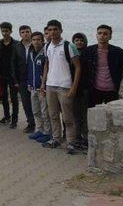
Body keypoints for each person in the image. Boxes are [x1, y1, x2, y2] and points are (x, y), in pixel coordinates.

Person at [41, 19, 81, 154]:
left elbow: (78, 67)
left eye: (55, 29)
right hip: (50, 86)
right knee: (53, 115)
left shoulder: (69, 46)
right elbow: (46, 65)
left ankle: (71, 142)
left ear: (61, 30)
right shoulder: (47, 46)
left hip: (65, 86)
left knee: (68, 117)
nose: (52, 32)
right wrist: (43, 84)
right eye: (50, 30)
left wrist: (74, 87)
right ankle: (56, 139)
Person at [82, 25, 123, 107]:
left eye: (105, 34)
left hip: (112, 90)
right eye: (99, 33)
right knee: (94, 115)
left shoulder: (118, 52)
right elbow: (84, 70)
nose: (102, 36)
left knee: (112, 115)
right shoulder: (88, 51)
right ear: (96, 35)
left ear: (110, 36)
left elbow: (122, 71)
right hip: (94, 89)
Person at [26, 31, 52, 143]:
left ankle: (48, 132)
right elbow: (29, 69)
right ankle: (39, 130)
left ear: (42, 41)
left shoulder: (45, 53)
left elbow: (47, 70)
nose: (36, 42)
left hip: (43, 88)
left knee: (45, 111)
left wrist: (44, 84)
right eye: (34, 40)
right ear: (31, 41)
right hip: (32, 87)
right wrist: (29, 83)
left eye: (38, 39)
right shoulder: (30, 52)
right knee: (36, 111)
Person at [11, 25, 36, 133]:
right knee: (26, 103)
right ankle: (31, 123)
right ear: (20, 34)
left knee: (37, 103)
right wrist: (15, 80)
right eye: (23, 32)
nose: (25, 34)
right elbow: (13, 64)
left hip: (34, 79)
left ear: (31, 32)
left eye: (27, 31)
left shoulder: (36, 45)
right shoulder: (17, 46)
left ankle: (41, 124)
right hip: (22, 79)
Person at [0, 22, 20, 128]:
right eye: (3, 31)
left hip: (13, 75)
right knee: (4, 97)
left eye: (6, 31)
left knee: (14, 98)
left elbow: (19, 60)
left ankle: (14, 119)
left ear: (11, 31)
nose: (4, 33)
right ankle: (6, 116)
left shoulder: (17, 44)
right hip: (1, 74)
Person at [71, 32, 89, 149]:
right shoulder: (71, 54)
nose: (79, 42)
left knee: (85, 115)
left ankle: (86, 138)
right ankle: (77, 138)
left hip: (86, 89)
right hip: (73, 88)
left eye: (81, 40)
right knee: (75, 115)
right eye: (76, 40)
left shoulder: (88, 54)